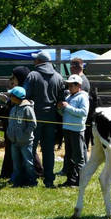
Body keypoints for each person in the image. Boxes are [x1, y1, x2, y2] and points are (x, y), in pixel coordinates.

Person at [24, 51, 65, 188]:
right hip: (51, 118)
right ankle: (49, 180)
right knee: (48, 151)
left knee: (30, 148)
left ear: (39, 61)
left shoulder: (33, 75)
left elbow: (25, 95)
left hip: (34, 117)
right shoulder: (58, 77)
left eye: (35, 59)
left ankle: (31, 178)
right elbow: (61, 99)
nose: (34, 61)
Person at [0, 66, 43, 179]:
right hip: (14, 132)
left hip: (23, 134)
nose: (11, 80)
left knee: (28, 155)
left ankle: (35, 174)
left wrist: (25, 133)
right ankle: (13, 175)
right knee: (14, 155)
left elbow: (32, 122)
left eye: (14, 77)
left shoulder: (23, 94)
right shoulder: (16, 94)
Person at [57, 74, 89, 187]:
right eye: (68, 85)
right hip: (67, 129)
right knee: (69, 157)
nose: (69, 87)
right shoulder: (69, 97)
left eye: (71, 85)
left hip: (77, 130)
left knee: (79, 158)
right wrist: (60, 109)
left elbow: (83, 113)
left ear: (78, 85)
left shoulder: (83, 97)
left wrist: (67, 107)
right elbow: (64, 113)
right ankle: (70, 180)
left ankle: (81, 181)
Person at [6, 86, 37, 187]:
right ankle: (17, 181)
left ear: (17, 97)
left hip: (26, 142)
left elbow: (33, 124)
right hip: (14, 141)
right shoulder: (13, 108)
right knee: (16, 164)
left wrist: (24, 134)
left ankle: (32, 181)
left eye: (11, 96)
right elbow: (10, 122)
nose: (10, 97)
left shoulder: (27, 109)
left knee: (28, 163)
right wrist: (9, 133)